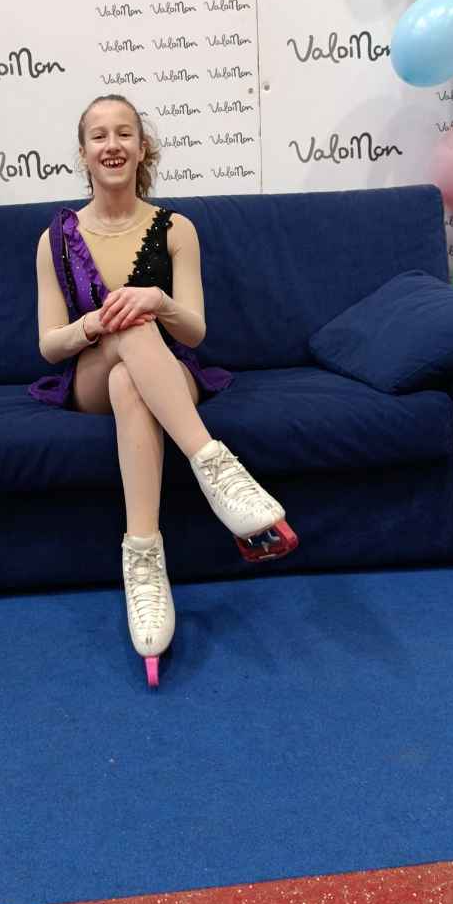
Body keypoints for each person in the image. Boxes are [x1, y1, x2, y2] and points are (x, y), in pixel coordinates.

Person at [30, 94, 297, 687]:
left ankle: (144, 562)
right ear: (83, 152)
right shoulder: (56, 239)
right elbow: (49, 346)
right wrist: (99, 322)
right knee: (125, 338)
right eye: (99, 135)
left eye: (124, 133)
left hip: (166, 371)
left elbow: (195, 332)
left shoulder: (177, 229)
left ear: (142, 146)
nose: (113, 145)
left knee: (133, 372)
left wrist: (158, 301)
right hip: (89, 373)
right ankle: (216, 469)